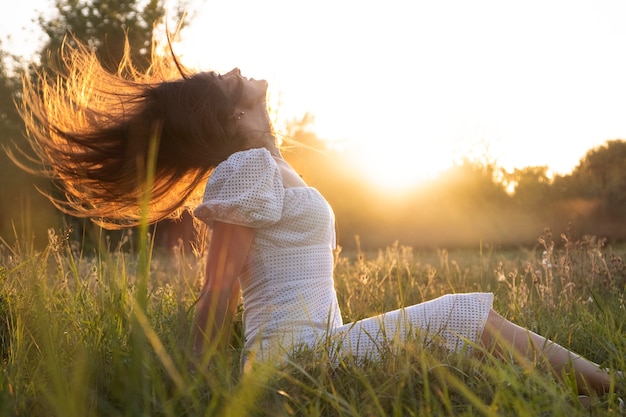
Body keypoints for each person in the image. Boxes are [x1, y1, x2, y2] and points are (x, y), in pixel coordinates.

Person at [15, 37, 620, 400]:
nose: (235, 71)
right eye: (224, 82)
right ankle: (612, 389)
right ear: (229, 118)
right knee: (468, 311)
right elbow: (217, 292)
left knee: (461, 333)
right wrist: (199, 392)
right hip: (298, 360)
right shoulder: (245, 169)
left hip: (321, 348)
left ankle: (586, 392)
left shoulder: (268, 163)